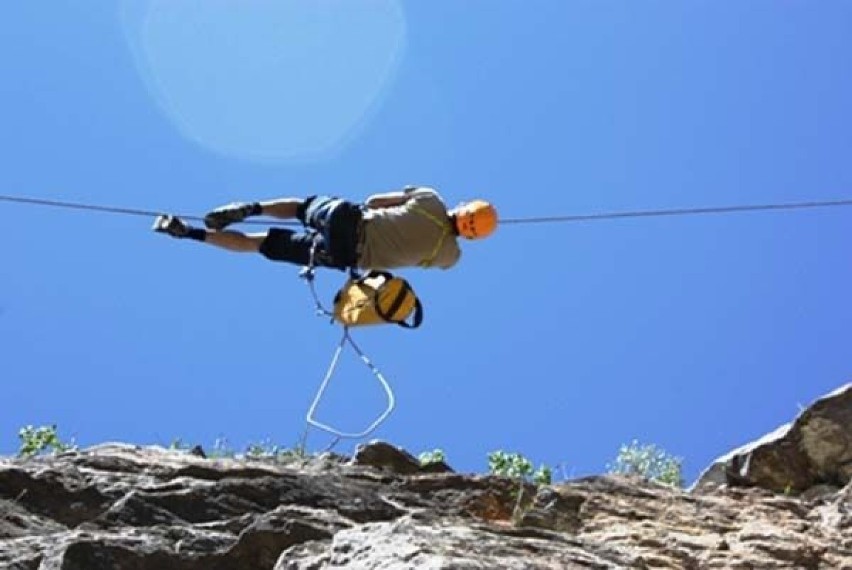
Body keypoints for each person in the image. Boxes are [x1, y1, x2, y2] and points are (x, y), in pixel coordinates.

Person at [152, 186, 498, 272]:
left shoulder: (431, 200)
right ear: (473, 235)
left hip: (347, 219)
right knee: (257, 245)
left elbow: (375, 199)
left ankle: (254, 207)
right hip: (344, 255)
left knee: (303, 207)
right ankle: (190, 234)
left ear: (463, 207)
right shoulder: (450, 257)